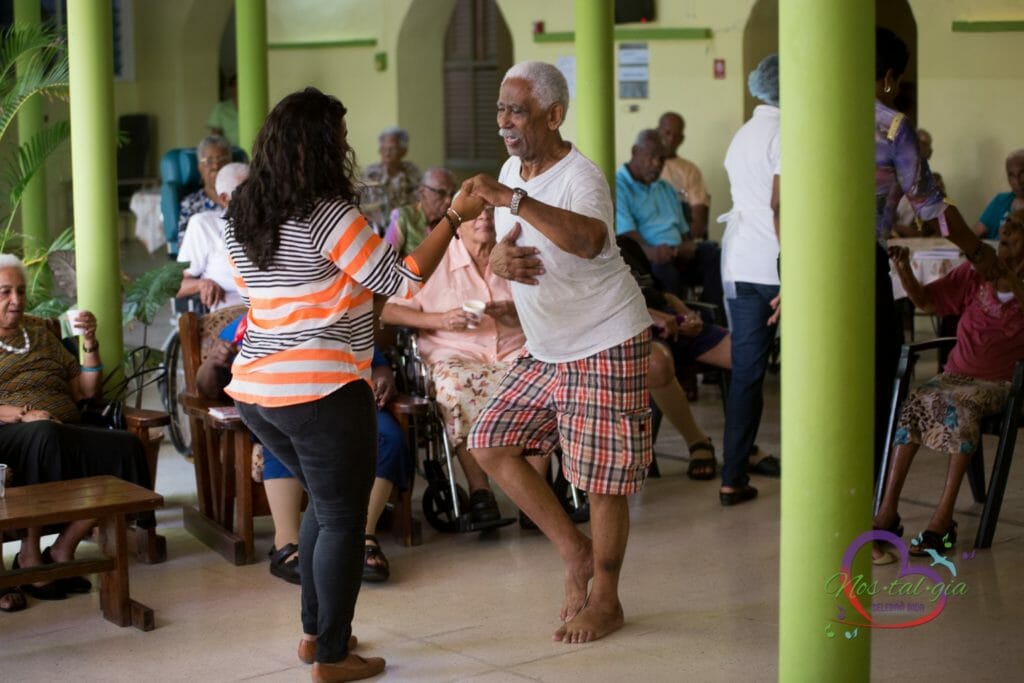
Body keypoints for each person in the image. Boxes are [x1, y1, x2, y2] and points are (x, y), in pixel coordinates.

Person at [222, 87, 474, 683]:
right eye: (337, 138)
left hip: (256, 388)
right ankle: (333, 656)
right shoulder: (329, 213)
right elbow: (403, 279)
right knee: (342, 517)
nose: (344, 148)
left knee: (325, 507)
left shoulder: (243, 212)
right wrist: (455, 218)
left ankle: (317, 636)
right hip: (321, 388)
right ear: (320, 145)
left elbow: (266, 290)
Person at [460, 61, 653, 644]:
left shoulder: (580, 176)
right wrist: (497, 262)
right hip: (546, 349)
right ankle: (575, 554)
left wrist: (511, 198)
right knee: (490, 442)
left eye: (515, 111)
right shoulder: (511, 171)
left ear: (554, 115)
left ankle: (608, 599)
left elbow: (590, 241)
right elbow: (496, 251)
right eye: (500, 110)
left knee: (601, 481)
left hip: (604, 338)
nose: (504, 123)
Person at [873, 26, 1003, 476]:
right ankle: (866, 505)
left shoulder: (810, 119)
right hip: (859, 266)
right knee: (875, 385)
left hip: (805, 265)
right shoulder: (890, 125)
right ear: (889, 78)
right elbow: (930, 203)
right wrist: (979, 252)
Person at [196, 314, 411, 584]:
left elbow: (377, 363)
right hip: (286, 401)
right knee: (284, 436)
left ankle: (363, 539)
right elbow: (204, 387)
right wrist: (214, 363)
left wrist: (384, 379)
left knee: (388, 436)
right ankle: (286, 542)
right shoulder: (248, 321)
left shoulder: (337, 312)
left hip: (348, 399)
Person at [0, 256, 153, 609]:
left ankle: (62, 547)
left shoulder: (40, 333)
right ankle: (28, 553)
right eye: (5, 292)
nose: (16, 300)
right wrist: (23, 415)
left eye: (20, 291)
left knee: (125, 446)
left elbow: (85, 390)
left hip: (60, 425)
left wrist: (88, 340)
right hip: (11, 430)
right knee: (44, 435)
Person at [874, 212, 1024, 562]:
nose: (1004, 233)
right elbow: (927, 302)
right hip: (955, 376)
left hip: (1000, 383)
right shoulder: (974, 274)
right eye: (1003, 227)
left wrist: (1006, 277)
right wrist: (906, 269)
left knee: (961, 408)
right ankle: (887, 513)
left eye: (1015, 229)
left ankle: (942, 522)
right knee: (914, 402)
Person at [382, 206, 532, 526]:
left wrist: (514, 312)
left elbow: (551, 308)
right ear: (455, 226)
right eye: (475, 214)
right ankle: (481, 492)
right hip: (456, 355)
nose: (484, 218)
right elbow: (390, 312)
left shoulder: (515, 257)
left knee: (544, 381)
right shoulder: (434, 259)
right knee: (456, 388)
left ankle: (535, 495)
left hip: (513, 350)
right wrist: (440, 319)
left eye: (491, 212)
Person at [616, 235, 780, 481]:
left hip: (676, 323)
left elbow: (662, 291)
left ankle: (743, 447)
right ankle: (697, 442)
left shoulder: (624, 245)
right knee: (656, 365)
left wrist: (687, 314)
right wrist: (655, 316)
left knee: (748, 355)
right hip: (639, 329)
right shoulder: (584, 253)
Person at [715, 54, 782, 506]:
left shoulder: (744, 133)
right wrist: (794, 272)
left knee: (747, 375)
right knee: (808, 374)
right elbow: (782, 206)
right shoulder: (789, 131)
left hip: (741, 263)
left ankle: (732, 477)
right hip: (778, 265)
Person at [616, 129, 724, 313]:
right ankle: (678, 324)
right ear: (635, 152)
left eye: (662, 159)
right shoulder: (619, 186)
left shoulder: (665, 187)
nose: (657, 164)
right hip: (647, 258)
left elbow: (683, 231)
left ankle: (715, 318)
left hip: (677, 253)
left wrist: (687, 245)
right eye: (651, 157)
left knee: (713, 254)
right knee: (664, 271)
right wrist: (652, 252)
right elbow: (626, 235)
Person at [176, 162, 249, 310]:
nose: (256, 199)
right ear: (224, 199)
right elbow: (174, 284)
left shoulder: (274, 223)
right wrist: (202, 284)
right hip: (229, 316)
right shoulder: (204, 225)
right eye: (246, 193)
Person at [658, 112, 711, 239]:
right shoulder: (642, 170)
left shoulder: (689, 170)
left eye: (676, 135)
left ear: (682, 139)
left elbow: (698, 220)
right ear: (657, 132)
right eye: (667, 133)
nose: (671, 139)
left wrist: (678, 246)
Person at [359, 127, 422, 234]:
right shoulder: (370, 173)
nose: (387, 153)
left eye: (392, 149)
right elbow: (360, 205)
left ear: (403, 151)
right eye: (383, 149)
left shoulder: (411, 171)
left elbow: (419, 201)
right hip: (376, 228)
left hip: (407, 226)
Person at [383, 167, 457, 257]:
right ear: (422, 191)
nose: (448, 200)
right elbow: (386, 259)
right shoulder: (404, 216)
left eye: (452, 194)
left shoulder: (453, 221)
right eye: (441, 192)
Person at [892, 128, 946, 237]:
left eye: (923, 143)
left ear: (929, 152)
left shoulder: (935, 182)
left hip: (916, 243)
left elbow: (937, 226)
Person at [178, 135, 232, 243]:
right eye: (209, 161)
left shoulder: (244, 198)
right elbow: (185, 244)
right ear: (200, 168)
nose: (216, 166)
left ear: (231, 164)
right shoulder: (190, 204)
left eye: (222, 160)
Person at [974, 149, 1024, 240]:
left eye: (1023, 174)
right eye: (1011, 175)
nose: (1017, 181)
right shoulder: (1001, 200)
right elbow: (975, 233)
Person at [207, 74, 239, 147]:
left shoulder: (255, 107)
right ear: (231, 88)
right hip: (232, 151)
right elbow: (215, 135)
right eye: (236, 85)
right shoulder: (221, 108)